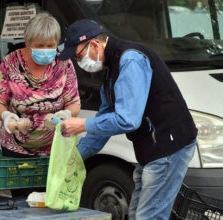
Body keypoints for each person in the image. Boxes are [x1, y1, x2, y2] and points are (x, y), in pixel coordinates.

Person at [59, 19, 198, 220]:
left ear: (95, 45)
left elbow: (127, 120)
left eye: (78, 55)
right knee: (136, 214)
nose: (79, 62)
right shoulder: (109, 68)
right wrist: (75, 158)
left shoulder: (130, 60)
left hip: (169, 146)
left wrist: (82, 124)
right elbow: (105, 120)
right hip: (151, 147)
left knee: (149, 216)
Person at [0, 12, 81, 158]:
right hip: (16, 147)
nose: (45, 50)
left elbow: (74, 103)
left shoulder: (64, 64)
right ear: (28, 42)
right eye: (40, 45)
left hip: (56, 146)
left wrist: (65, 114)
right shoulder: (10, 63)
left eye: (50, 45)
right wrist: (6, 115)